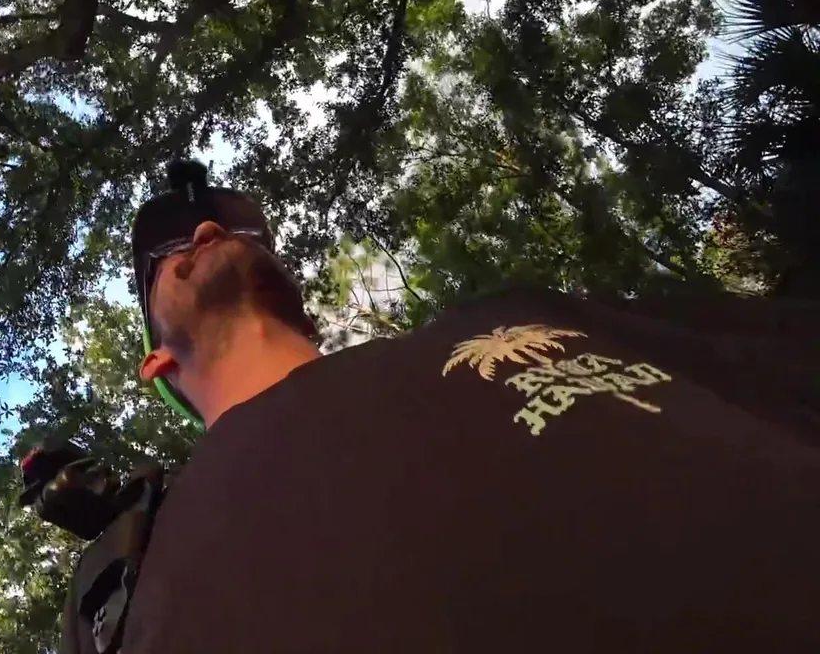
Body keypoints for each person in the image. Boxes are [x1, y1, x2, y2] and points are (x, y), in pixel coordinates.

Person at [64, 160, 820, 653]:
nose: (208, 229)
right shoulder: (126, 593)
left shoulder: (516, 320)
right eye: (168, 259)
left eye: (234, 227)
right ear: (156, 363)